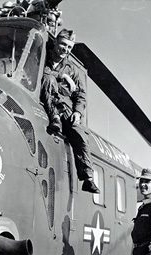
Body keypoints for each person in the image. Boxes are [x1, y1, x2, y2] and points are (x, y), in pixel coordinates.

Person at [40, 29, 99, 194]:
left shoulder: (72, 69)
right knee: (49, 79)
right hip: (47, 97)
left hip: (65, 105)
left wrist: (78, 112)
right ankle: (55, 118)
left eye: (69, 47)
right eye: (63, 45)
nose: (65, 50)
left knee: (78, 133)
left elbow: (80, 95)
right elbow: (41, 75)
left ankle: (87, 177)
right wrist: (63, 79)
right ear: (56, 42)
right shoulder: (42, 56)